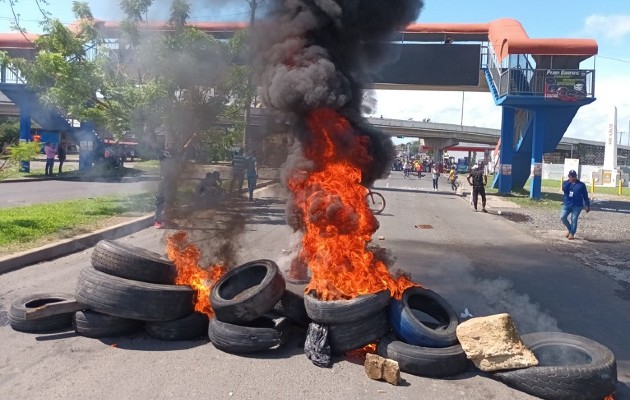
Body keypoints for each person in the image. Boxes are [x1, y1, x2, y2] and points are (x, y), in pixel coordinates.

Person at [560, 170, 590, 240]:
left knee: (574, 219)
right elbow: (564, 189)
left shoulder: (581, 185)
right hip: (567, 203)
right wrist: (569, 182)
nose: (573, 178)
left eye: (574, 176)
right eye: (571, 176)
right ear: (569, 176)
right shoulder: (565, 183)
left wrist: (587, 205)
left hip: (577, 205)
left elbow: (585, 195)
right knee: (562, 217)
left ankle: (572, 233)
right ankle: (570, 229)